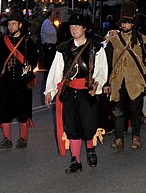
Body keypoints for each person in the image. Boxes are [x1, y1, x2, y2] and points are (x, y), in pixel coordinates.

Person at [44, 13, 107, 173]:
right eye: (72, 27)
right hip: (70, 92)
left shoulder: (96, 48)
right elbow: (56, 71)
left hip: (88, 92)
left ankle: (90, 149)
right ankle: (76, 160)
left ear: (84, 28)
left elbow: (101, 70)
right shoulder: (63, 48)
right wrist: (50, 91)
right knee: (72, 126)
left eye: (77, 26)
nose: (74, 29)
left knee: (88, 125)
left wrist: (97, 84)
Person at [105, 1, 146, 152]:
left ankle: (136, 136)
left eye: (128, 22)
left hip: (136, 81)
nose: (124, 25)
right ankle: (119, 139)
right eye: (123, 22)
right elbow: (106, 62)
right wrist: (106, 83)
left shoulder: (141, 39)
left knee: (135, 111)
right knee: (117, 111)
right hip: (117, 81)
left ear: (133, 24)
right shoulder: (112, 40)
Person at [0, 13, 38, 149]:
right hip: (5, 82)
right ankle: (7, 139)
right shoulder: (1, 41)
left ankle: (23, 138)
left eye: (13, 24)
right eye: (9, 24)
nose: (11, 27)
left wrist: (30, 66)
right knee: (4, 111)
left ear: (20, 25)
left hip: (22, 82)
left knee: (23, 111)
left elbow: (35, 59)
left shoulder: (28, 42)